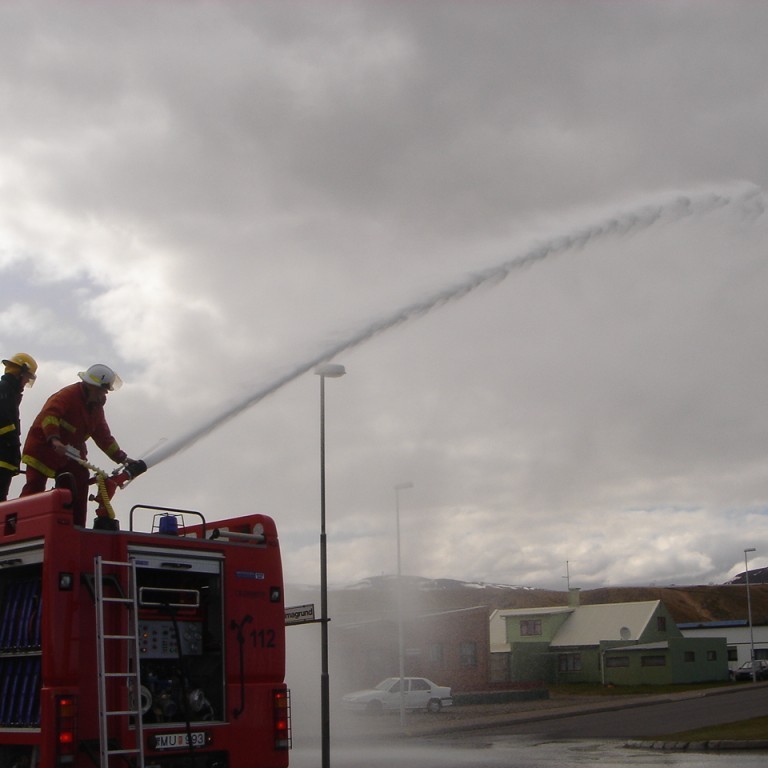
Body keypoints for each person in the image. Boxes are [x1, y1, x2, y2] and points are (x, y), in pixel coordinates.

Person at [20, 364, 134, 526]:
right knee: (35, 488)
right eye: (102, 390)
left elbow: (103, 436)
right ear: (90, 386)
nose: (104, 394)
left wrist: (122, 458)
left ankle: (75, 527)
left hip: (69, 452)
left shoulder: (95, 407)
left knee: (79, 480)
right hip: (42, 448)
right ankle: (21, 525)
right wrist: (54, 439)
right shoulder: (67, 396)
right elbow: (50, 416)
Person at [0, 353, 38, 501]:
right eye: (27, 377)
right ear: (19, 372)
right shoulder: (4, 391)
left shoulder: (8, 392)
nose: (26, 382)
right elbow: (4, 423)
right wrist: (13, 445)